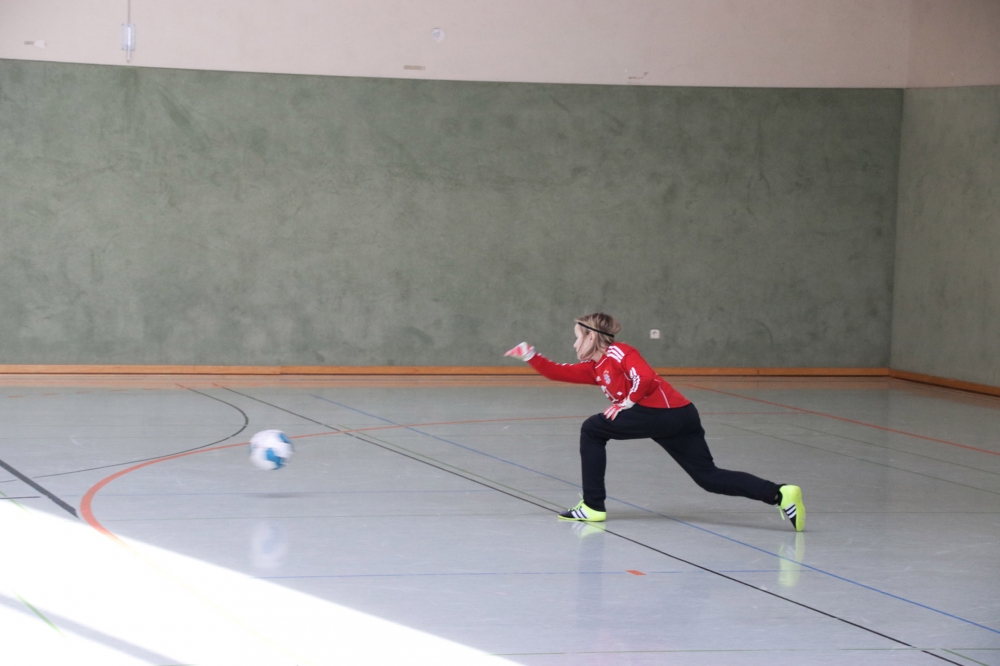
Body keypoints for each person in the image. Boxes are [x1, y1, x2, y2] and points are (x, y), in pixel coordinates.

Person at [504, 312, 805, 530]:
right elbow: (558, 371)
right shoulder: (596, 367)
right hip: (680, 415)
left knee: (592, 429)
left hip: (663, 413)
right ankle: (780, 494)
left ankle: (593, 506)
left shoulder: (620, 351)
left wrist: (627, 402)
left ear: (591, 336)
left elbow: (645, 377)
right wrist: (530, 355)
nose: (574, 344)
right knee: (708, 478)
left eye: (576, 337)